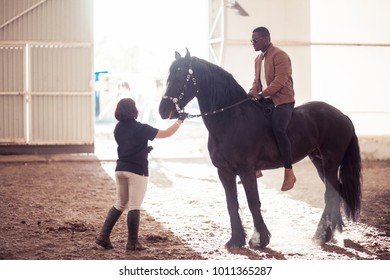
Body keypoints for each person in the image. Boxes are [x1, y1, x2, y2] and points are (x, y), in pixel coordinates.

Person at [96, 98, 187, 251]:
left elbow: (129, 146)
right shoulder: (141, 128)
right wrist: (179, 121)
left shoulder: (117, 128)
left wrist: (144, 150)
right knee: (134, 206)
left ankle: (103, 236)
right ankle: (132, 243)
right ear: (133, 110)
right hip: (137, 170)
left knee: (120, 203)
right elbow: (166, 134)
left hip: (120, 169)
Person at [248, 26, 296, 191]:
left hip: (283, 101)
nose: (252, 43)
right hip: (266, 100)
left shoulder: (280, 55)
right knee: (249, 123)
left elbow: (280, 81)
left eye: (255, 40)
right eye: (251, 40)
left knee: (278, 128)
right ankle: (256, 168)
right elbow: (257, 80)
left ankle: (289, 171)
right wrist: (252, 91)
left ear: (266, 39)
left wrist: (262, 94)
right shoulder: (258, 59)